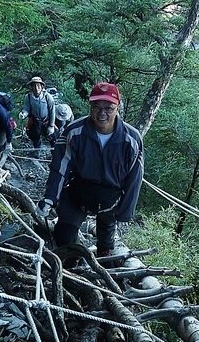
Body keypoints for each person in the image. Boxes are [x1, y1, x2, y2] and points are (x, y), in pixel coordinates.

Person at [36, 82, 144, 259]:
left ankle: (103, 257)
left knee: (106, 243)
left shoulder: (131, 139)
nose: (102, 113)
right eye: (96, 107)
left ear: (118, 107)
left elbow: (135, 177)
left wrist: (125, 211)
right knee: (64, 236)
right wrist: (50, 198)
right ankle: (71, 268)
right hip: (78, 193)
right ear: (90, 107)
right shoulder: (74, 132)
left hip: (110, 199)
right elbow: (60, 167)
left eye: (108, 108)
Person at [18, 76, 56, 150]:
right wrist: (23, 114)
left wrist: (51, 126)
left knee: (52, 137)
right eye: (34, 85)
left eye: (38, 85)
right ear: (31, 87)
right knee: (35, 137)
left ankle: (54, 153)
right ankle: (37, 151)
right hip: (35, 121)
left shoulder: (48, 97)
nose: (36, 88)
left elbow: (52, 111)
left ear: (42, 87)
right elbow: (26, 108)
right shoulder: (28, 97)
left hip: (46, 120)